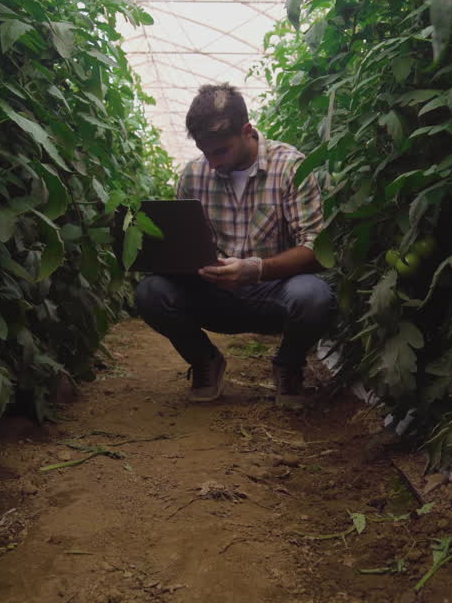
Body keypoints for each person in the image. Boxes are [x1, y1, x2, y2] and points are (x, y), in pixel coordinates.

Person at [134, 83, 334, 408]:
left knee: (314, 297)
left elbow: (316, 251)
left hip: (273, 294)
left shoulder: (291, 168)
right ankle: (205, 361)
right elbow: (183, 246)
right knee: (151, 292)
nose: (211, 163)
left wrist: (256, 270)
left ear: (247, 131)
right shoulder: (193, 177)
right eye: (205, 152)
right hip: (214, 295)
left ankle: (288, 366)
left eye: (220, 151)